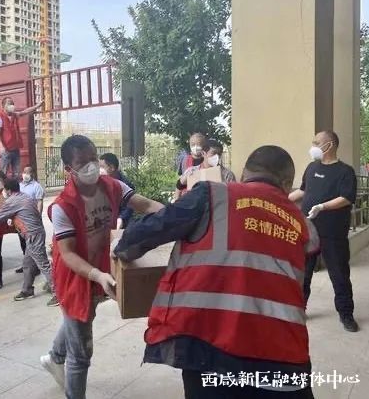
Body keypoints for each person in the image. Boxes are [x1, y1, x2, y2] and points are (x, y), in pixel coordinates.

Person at [114, 145, 319, 399]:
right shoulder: (304, 226)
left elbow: (146, 232)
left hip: (209, 348)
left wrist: (119, 249)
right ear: (287, 184)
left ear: (243, 174)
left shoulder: (212, 195)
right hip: (284, 357)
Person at [39, 135, 164, 399]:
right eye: (82, 162)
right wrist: (97, 275)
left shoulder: (112, 186)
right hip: (75, 276)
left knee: (81, 316)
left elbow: (145, 204)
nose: (91, 166)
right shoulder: (63, 206)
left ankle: (54, 357)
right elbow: (68, 253)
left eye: (94, 158)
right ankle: (65, 372)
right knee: (81, 354)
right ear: (68, 169)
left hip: (100, 266)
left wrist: (175, 218)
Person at [289, 130, 359, 332]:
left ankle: (346, 314)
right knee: (303, 273)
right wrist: (281, 198)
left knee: (339, 274)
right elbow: (303, 190)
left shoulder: (345, 171)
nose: (313, 146)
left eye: (316, 142)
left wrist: (322, 207)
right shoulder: (312, 167)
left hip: (333, 232)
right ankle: (299, 310)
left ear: (329, 145)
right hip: (308, 230)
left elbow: (346, 197)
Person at [0, 178, 57, 306]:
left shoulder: (12, 201)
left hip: (33, 235)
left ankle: (58, 292)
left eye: (4, 190)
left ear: (8, 190)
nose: (3, 192)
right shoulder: (24, 196)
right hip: (34, 234)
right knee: (27, 264)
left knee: (43, 264)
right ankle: (27, 290)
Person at [0, 97, 43, 178]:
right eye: (9, 104)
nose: (12, 105)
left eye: (12, 103)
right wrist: (1, 146)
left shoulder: (15, 115)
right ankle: (1, 186)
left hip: (15, 149)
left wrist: (37, 106)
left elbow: (25, 111)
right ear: (3, 106)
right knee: (3, 173)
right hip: (6, 150)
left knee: (16, 173)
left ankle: (15, 186)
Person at [15, 165, 45, 274]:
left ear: (32, 174)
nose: (25, 174)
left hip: (32, 220)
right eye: (24, 172)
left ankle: (35, 267)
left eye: (28, 172)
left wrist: (38, 216)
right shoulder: (19, 186)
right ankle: (26, 265)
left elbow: (39, 202)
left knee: (34, 244)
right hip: (21, 221)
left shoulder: (36, 186)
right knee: (24, 243)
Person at [99, 152, 136, 229]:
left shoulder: (125, 185)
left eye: (102, 167)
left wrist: (121, 218)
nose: (99, 170)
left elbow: (129, 207)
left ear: (112, 168)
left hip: (121, 225)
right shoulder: (100, 182)